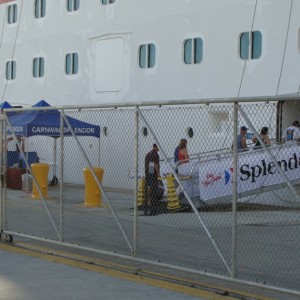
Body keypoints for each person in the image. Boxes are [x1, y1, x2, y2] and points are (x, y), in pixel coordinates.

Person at [144, 144, 160, 215]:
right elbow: (155, 165)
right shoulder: (155, 154)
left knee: (148, 186)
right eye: (158, 147)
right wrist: (158, 174)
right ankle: (151, 202)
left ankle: (147, 201)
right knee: (153, 188)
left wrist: (150, 172)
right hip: (152, 173)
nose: (158, 148)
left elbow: (150, 164)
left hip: (148, 172)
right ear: (155, 147)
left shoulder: (148, 154)